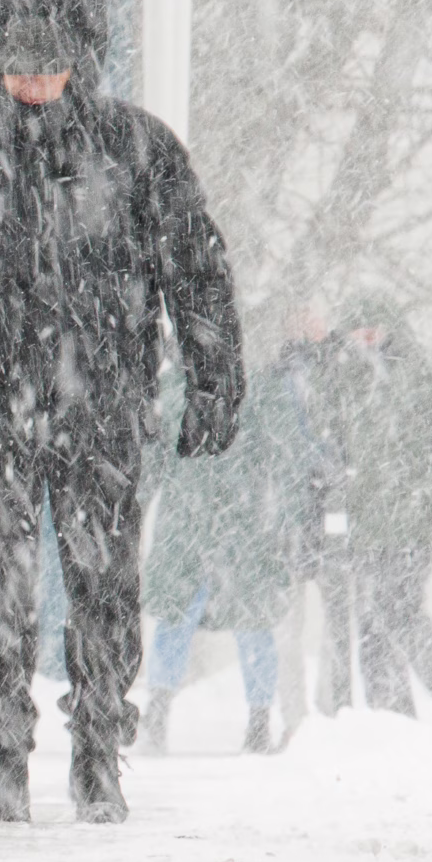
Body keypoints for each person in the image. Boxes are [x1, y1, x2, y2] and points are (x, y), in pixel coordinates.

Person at [0, 0, 243, 824]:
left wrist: (214, 376)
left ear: (83, 60)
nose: (32, 82)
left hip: (101, 403)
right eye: (16, 64)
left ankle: (99, 745)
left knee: (102, 578)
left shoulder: (137, 150)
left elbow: (195, 268)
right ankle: (0, 751)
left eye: (50, 63)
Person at [143, 305, 334, 753]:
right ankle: (162, 713)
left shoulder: (252, 392)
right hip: (202, 525)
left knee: (246, 621)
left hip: (235, 526)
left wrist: (290, 519)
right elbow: (151, 462)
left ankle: (255, 721)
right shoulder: (180, 391)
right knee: (185, 619)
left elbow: (286, 458)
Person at [315, 295, 432, 723]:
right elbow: (335, 446)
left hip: (414, 520)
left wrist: (429, 496)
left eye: (373, 327)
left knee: (396, 607)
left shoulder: (431, 371)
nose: (366, 337)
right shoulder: (346, 376)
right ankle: (390, 715)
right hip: (366, 521)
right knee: (371, 617)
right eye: (357, 330)